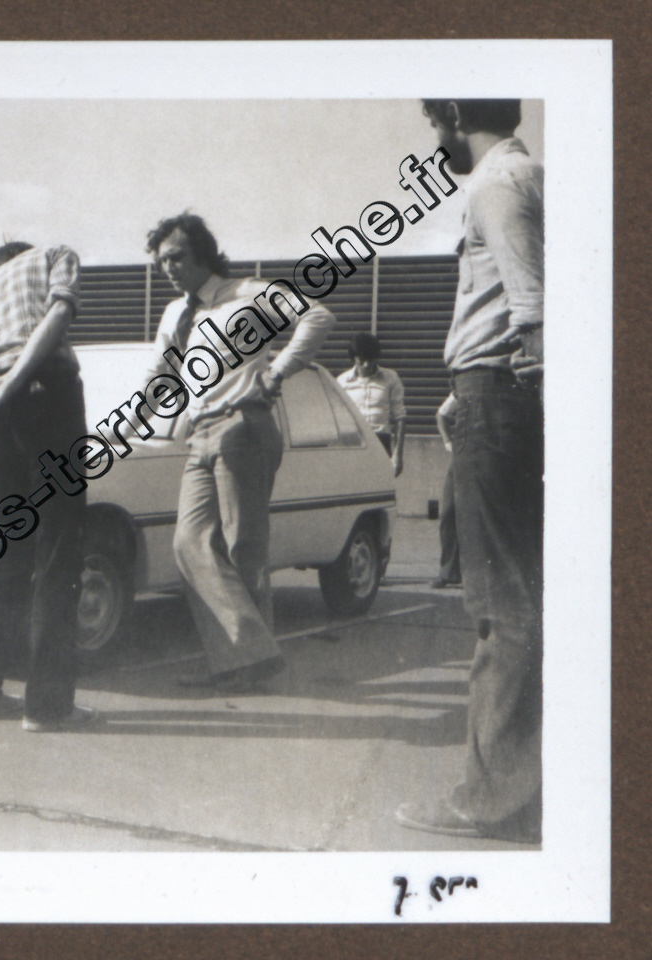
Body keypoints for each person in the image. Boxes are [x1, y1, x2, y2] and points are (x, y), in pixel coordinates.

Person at [396, 100, 543, 843]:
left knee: (499, 603)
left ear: (455, 111)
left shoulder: (495, 183)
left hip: (500, 395)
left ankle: (492, 798)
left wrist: (497, 389)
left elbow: (532, 305)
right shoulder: (528, 177)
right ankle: (521, 787)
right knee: (520, 594)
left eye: (436, 124)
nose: (437, 140)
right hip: (491, 393)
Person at [141, 213, 335, 693]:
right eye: (161, 261)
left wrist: (277, 372)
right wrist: (120, 430)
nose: (168, 268)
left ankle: (238, 667)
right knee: (189, 543)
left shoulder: (247, 293)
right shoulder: (175, 313)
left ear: (203, 253)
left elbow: (317, 316)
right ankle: (253, 654)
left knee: (242, 548)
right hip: (200, 433)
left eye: (176, 257)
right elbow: (158, 378)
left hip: (244, 426)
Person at [0, 241, 96, 732]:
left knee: (7, 554)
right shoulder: (53, 254)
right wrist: (16, 381)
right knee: (58, 552)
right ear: (24, 256)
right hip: (48, 391)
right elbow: (60, 313)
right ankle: (48, 707)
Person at [336, 333, 407, 477]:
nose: (367, 364)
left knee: (381, 484)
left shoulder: (391, 378)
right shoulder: (342, 381)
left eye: (371, 359)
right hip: (353, 443)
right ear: (354, 358)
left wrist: (397, 455)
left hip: (381, 442)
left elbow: (400, 418)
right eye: (362, 360)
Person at [431, 393, 461, 589]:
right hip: (463, 454)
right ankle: (448, 572)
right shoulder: (463, 386)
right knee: (449, 513)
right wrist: (449, 443)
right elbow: (441, 415)